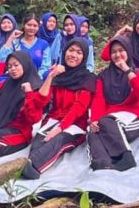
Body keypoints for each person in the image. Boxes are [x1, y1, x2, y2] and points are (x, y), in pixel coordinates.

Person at [22, 38, 97, 179]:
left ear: (85, 57)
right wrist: (51, 76)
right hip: (54, 119)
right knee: (38, 144)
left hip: (75, 124)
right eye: (71, 50)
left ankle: (31, 168)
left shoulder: (88, 78)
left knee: (58, 141)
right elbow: (41, 100)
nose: (73, 55)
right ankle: (28, 165)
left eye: (79, 52)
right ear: (64, 52)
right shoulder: (59, 75)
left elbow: (79, 107)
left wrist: (59, 128)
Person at [88, 36, 139, 171]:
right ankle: (102, 162)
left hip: (131, 120)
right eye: (114, 52)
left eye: (121, 50)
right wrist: (94, 120)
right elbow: (99, 100)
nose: (117, 55)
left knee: (106, 121)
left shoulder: (137, 73)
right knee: (93, 130)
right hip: (109, 120)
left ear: (128, 51)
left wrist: (127, 71)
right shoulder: (104, 76)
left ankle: (126, 157)